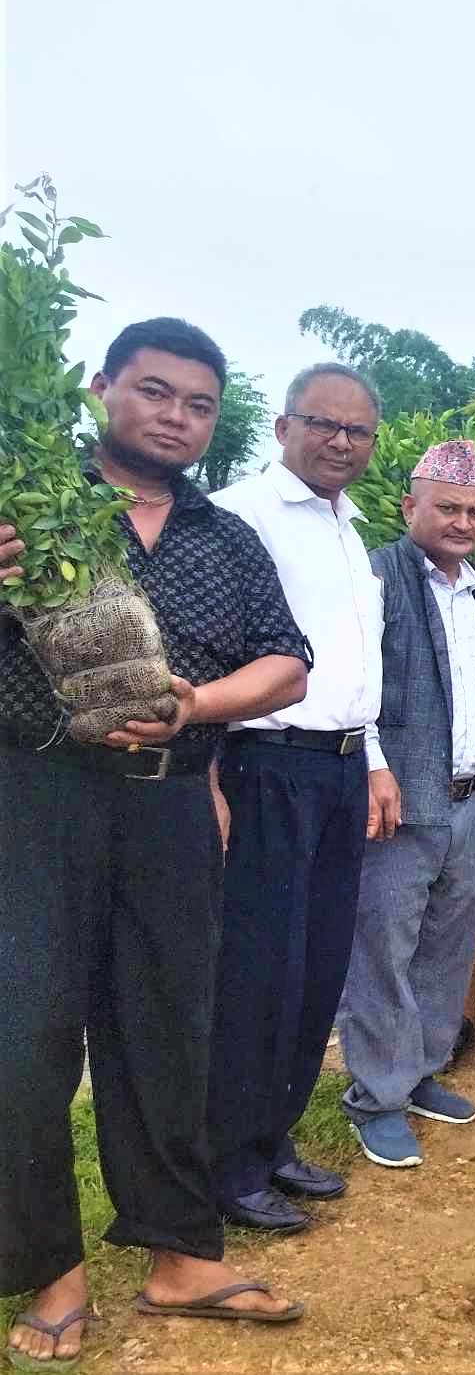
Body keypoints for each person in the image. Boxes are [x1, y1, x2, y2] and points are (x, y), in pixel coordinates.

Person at [2, 319, 310, 1363]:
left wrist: (199, 709)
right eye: (155, 391)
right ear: (100, 389)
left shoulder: (225, 539)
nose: (177, 416)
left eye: (197, 403)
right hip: (39, 799)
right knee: (25, 1040)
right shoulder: (28, 511)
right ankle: (54, 1266)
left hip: (172, 801)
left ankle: (180, 1253)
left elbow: (288, 664)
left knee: (169, 1028)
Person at [199, 363, 384, 1236]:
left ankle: (271, 1141)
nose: (341, 442)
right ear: (282, 426)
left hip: (341, 768)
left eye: (357, 432)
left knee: (316, 968)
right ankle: (228, 1164)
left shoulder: (352, 529)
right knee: (259, 971)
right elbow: (204, 652)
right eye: (324, 424)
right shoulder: (240, 516)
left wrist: (373, 758)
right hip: (265, 765)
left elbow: (352, 669)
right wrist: (208, 771)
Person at [337, 442, 475, 1170]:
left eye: (474, 511)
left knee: (447, 943)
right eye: (448, 508)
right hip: (400, 797)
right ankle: (375, 1098)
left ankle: (421, 1068)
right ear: (410, 508)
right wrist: (371, 766)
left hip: (468, 798)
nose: (463, 522)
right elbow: (353, 681)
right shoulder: (377, 576)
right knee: (383, 948)